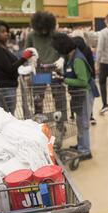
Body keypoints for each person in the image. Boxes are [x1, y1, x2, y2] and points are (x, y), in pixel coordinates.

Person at [52, 33, 94, 160]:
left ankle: (86, 151)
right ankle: (81, 145)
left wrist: (64, 80)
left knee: (83, 123)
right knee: (79, 121)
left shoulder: (77, 59)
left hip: (85, 93)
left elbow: (83, 81)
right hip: (78, 94)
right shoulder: (71, 57)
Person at [25, 11, 67, 141]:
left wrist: (62, 59)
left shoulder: (56, 35)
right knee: (38, 100)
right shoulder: (31, 36)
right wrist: (30, 61)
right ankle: (40, 127)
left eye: (46, 29)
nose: (43, 32)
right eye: (40, 29)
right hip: (39, 71)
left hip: (55, 71)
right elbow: (27, 52)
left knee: (59, 100)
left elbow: (66, 50)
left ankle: (61, 126)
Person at [0, 20, 35, 114]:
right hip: (1, 88)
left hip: (6, 86)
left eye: (7, 31)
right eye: (3, 31)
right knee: (6, 116)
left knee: (7, 116)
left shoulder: (3, 47)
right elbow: (9, 68)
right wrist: (24, 58)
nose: (6, 34)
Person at [72, 35, 97, 125]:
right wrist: (94, 76)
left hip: (77, 81)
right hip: (89, 79)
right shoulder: (87, 49)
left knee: (76, 99)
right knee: (89, 100)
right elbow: (92, 64)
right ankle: (90, 115)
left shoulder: (74, 53)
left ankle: (74, 114)